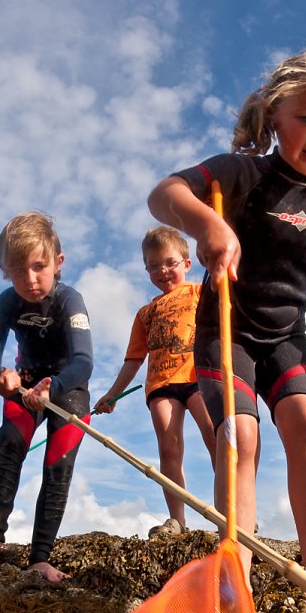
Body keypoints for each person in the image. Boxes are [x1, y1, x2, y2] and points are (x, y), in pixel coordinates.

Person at [147, 45, 306, 570]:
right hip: (228, 332)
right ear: (273, 118)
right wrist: (208, 224)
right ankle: (234, 565)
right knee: (240, 434)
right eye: (305, 118)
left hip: (289, 338)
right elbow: (163, 194)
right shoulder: (239, 175)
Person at [0, 212, 93, 585]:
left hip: (67, 388)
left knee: (58, 465)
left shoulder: (70, 300)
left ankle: (40, 558)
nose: (30, 280)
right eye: (18, 271)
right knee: (9, 448)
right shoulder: (7, 302)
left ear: (58, 263)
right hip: (25, 384)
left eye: (39, 267)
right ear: (4, 270)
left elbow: (84, 361)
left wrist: (55, 386)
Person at [94, 225, 215, 536]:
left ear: (187, 264)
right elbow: (133, 359)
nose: (162, 270)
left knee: (216, 435)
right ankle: (178, 521)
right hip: (161, 385)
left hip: (199, 376)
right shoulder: (145, 313)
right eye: (153, 265)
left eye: (170, 263)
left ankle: (234, 511)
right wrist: (112, 395)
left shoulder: (202, 293)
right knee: (168, 448)